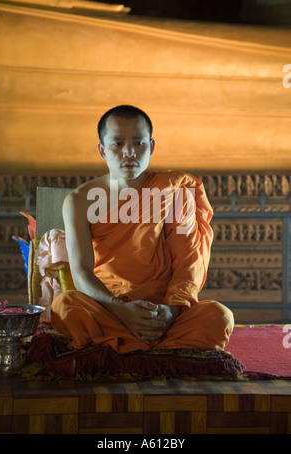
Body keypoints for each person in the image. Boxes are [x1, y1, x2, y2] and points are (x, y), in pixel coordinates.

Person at [51, 105, 234, 353]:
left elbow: (187, 265)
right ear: (102, 150)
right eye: (117, 143)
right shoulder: (79, 200)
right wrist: (120, 310)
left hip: (164, 310)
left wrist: (170, 312)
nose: (129, 152)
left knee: (219, 316)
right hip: (111, 308)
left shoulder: (174, 191)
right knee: (65, 306)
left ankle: (123, 351)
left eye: (139, 142)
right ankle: (165, 353)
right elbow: (82, 273)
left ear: (152, 147)